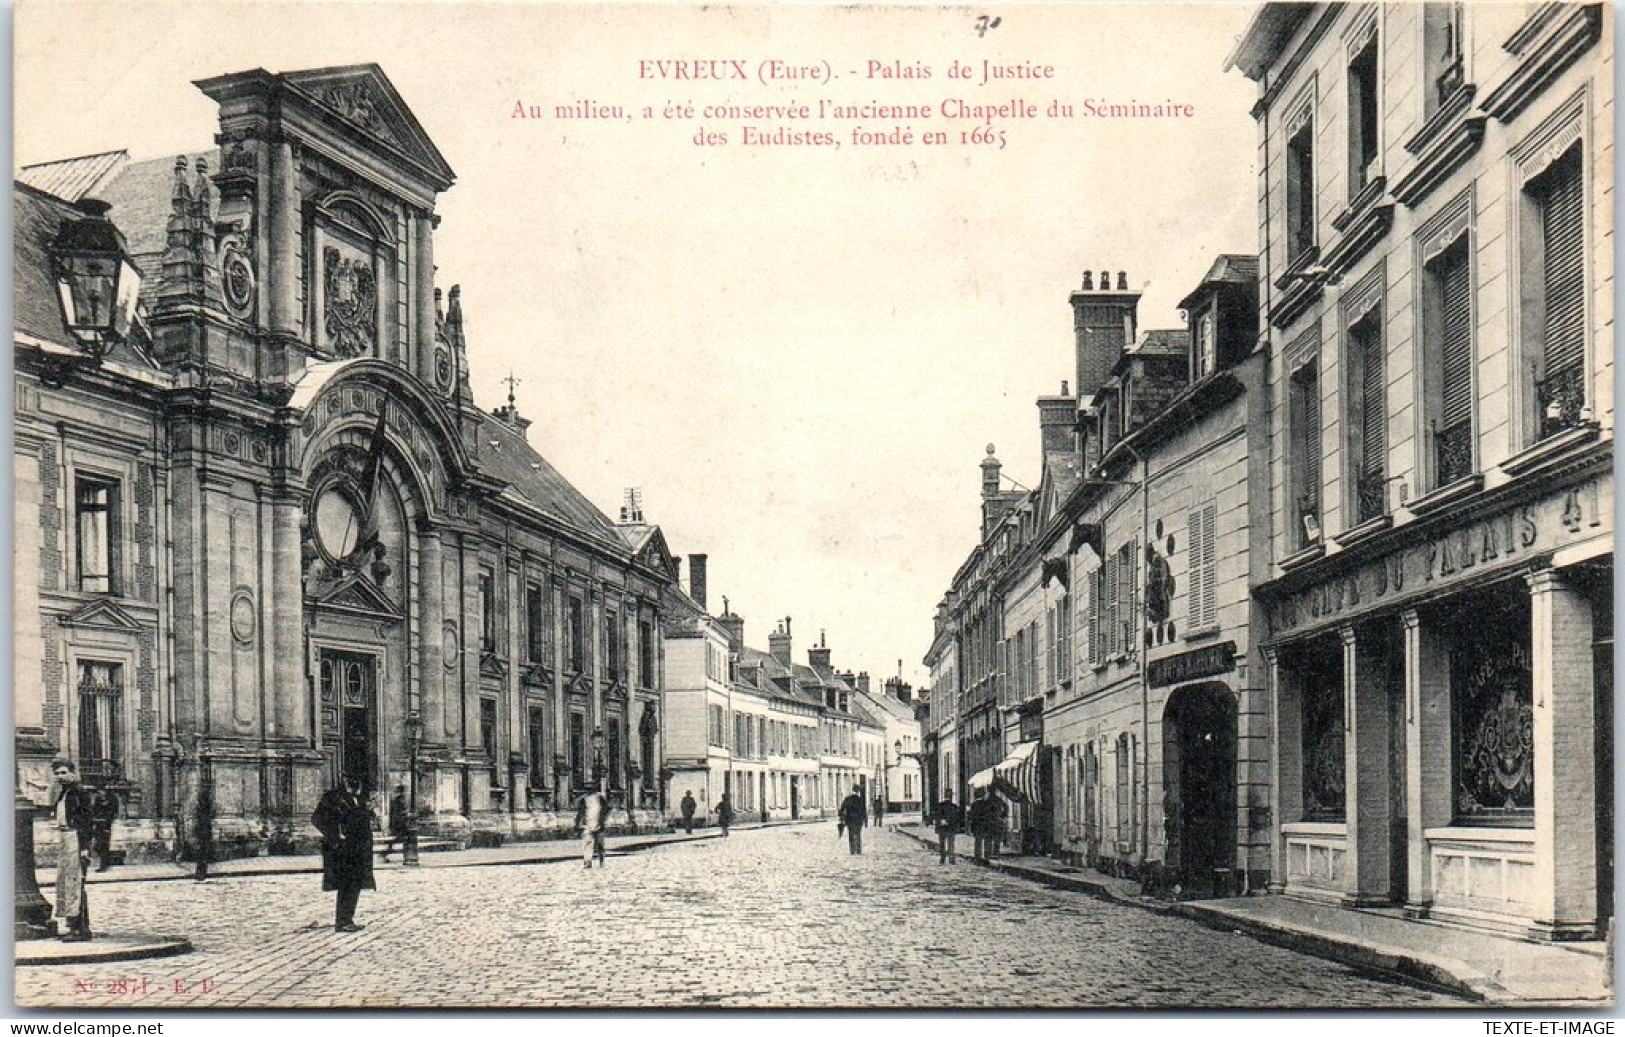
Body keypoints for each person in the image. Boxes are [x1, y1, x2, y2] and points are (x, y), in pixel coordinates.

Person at [312, 776, 375, 932]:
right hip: (343, 850)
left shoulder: (360, 799)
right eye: (351, 780)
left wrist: (370, 813)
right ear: (345, 780)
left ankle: (347, 919)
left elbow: (360, 821)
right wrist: (334, 836)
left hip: (359, 850)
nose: (356, 784)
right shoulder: (332, 798)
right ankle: (342, 921)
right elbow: (317, 818)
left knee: (355, 885)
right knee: (345, 884)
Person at [50, 760, 95, 941]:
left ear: (72, 773)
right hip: (66, 838)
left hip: (76, 839)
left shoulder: (79, 793)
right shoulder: (65, 793)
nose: (60, 777)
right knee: (67, 882)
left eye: (63, 773)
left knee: (75, 883)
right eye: (57, 774)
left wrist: (84, 848)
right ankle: (73, 925)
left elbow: (86, 821)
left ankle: (80, 929)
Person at [575, 783, 609, 868]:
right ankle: (587, 862)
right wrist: (578, 823)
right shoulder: (583, 799)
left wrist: (603, 820)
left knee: (600, 845)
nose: (589, 791)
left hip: (599, 824)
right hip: (587, 825)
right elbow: (580, 812)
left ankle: (601, 861)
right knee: (587, 844)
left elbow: (606, 809)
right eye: (587, 789)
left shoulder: (600, 798)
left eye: (591, 789)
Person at [90, 786, 120, 871]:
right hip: (98, 825)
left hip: (106, 825)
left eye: (101, 791)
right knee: (97, 846)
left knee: (104, 845)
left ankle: (104, 865)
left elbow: (114, 812)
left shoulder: (112, 799)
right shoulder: (98, 800)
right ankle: (105, 863)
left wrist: (108, 822)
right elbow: (94, 810)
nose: (99, 793)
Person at [379, 784, 408, 861]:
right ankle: (383, 854)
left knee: (395, 840)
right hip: (398, 824)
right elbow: (395, 814)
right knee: (397, 839)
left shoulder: (396, 801)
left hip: (397, 824)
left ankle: (384, 853)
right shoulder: (397, 801)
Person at [934, 791, 963, 865]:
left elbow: (937, 816)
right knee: (951, 843)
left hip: (942, 828)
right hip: (951, 828)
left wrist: (941, 822)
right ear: (951, 797)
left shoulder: (940, 805)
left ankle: (942, 858)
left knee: (942, 844)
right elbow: (956, 818)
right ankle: (951, 859)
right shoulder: (954, 806)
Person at [838, 784, 867, 855]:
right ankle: (858, 850)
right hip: (858, 821)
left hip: (850, 820)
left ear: (852, 790)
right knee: (858, 834)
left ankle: (852, 849)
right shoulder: (860, 800)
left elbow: (842, 809)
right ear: (858, 791)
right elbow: (864, 810)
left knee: (851, 834)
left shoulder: (848, 799)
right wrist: (865, 820)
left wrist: (841, 818)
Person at [967, 791, 991, 862]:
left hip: (977, 825)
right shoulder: (987, 804)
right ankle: (987, 857)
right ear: (984, 795)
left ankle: (977, 858)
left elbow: (970, 816)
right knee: (987, 842)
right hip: (986, 825)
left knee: (978, 842)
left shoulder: (974, 804)